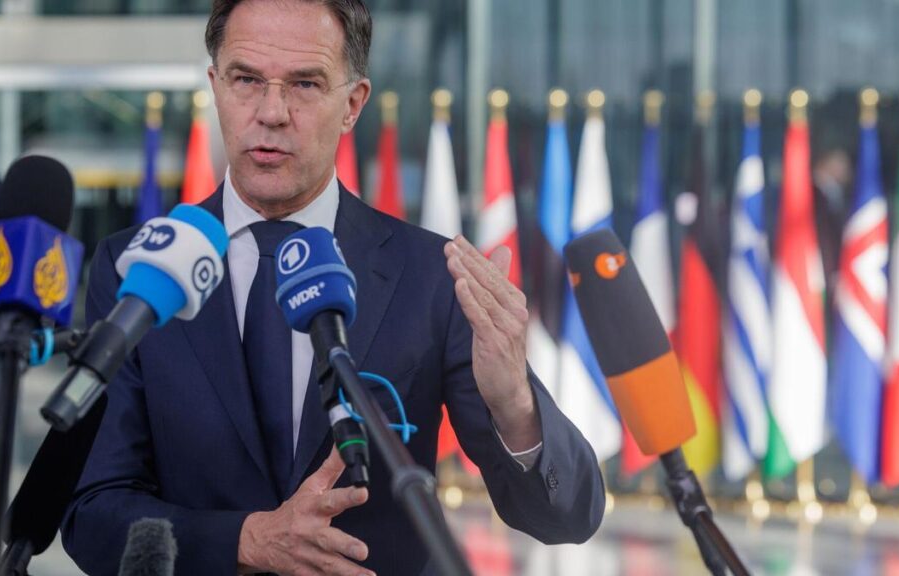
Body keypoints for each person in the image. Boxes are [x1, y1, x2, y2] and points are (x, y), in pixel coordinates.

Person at [62, 1, 604, 574]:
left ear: (352, 105)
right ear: (215, 86)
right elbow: (92, 515)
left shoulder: (431, 275)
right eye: (246, 79)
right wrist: (246, 541)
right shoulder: (136, 267)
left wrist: (514, 404)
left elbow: (565, 518)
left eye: (304, 84)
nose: (271, 112)